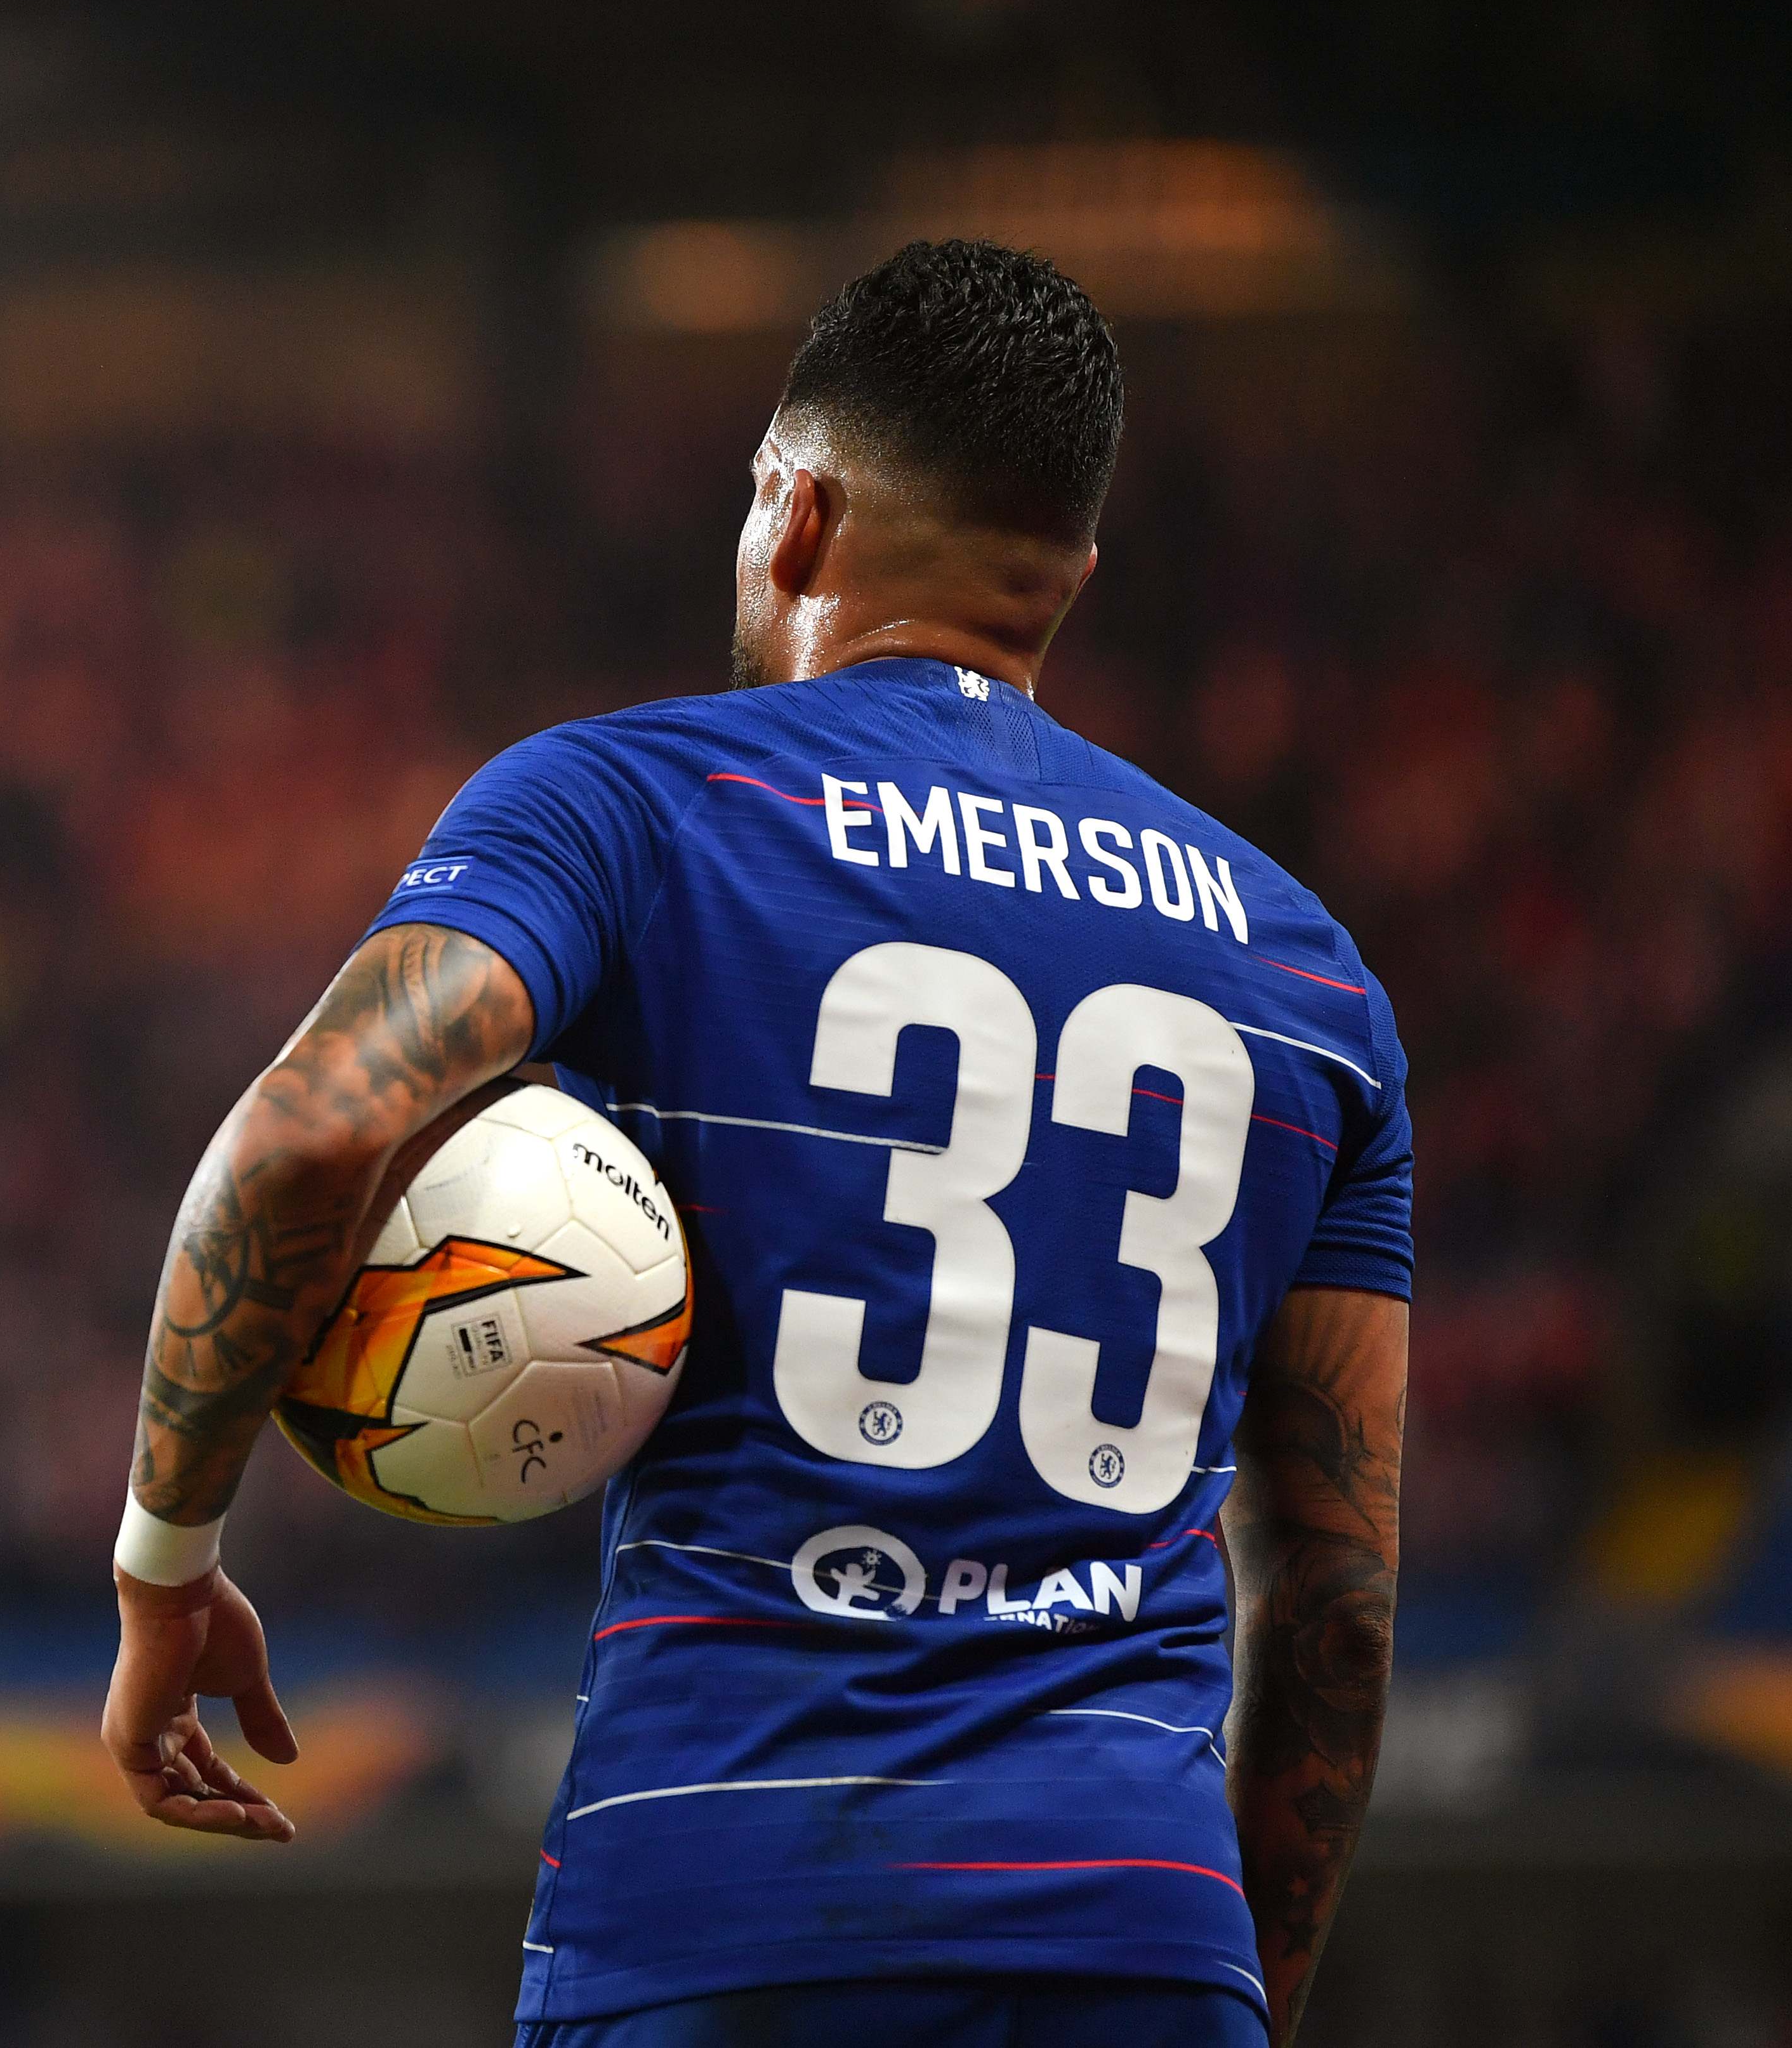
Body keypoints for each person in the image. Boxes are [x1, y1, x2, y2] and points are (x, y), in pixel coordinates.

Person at [99, 240, 1408, 2047]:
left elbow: (311, 1138)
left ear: (792, 510)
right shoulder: (1309, 971)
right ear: (1070, 575)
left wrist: (163, 1564)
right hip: (1137, 1933)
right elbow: (1332, 1598)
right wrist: (1220, 1995)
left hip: (727, 1902)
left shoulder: (632, 805)